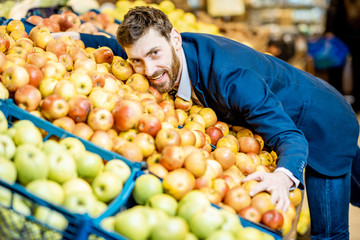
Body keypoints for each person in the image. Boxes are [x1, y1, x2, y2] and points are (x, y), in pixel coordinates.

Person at [115, 6, 360, 239]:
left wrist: (284, 175)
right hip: (293, 109)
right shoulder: (173, 49)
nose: (148, 70)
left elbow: (290, 137)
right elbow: (111, 47)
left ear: (175, 39)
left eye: (154, 53)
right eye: (136, 60)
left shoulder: (232, 78)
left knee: (328, 234)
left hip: (324, 124)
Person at [325, 0, 360, 112]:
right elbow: (332, 12)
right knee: (337, 71)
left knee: (336, 72)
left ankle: (337, 102)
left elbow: (331, 12)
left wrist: (329, 30)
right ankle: (349, 103)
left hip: (340, 36)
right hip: (343, 36)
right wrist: (329, 30)